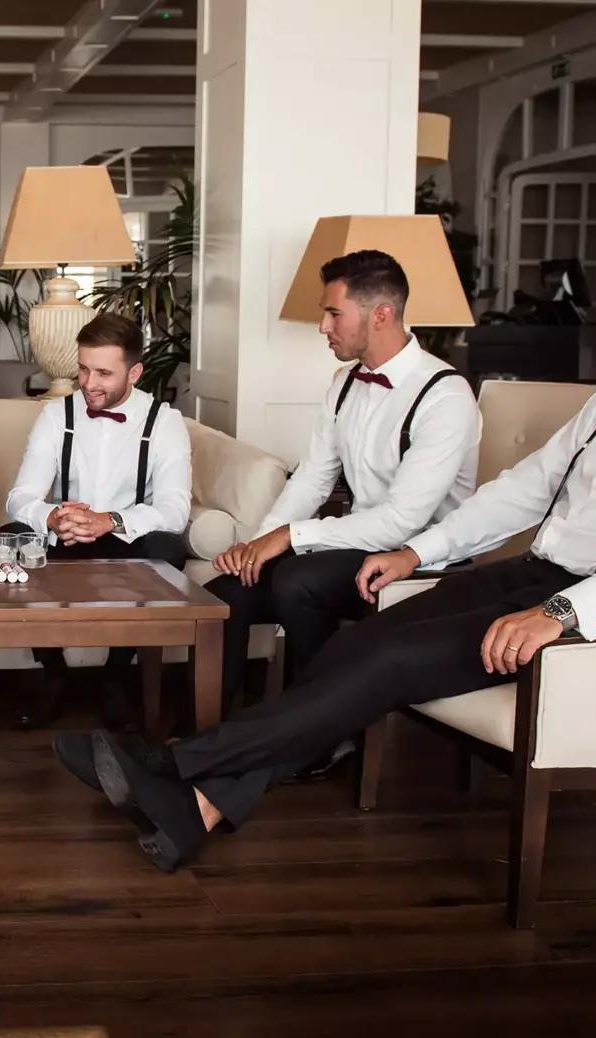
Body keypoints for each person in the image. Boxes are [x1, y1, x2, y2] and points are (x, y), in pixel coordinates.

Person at [64, 240, 596, 874]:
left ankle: (175, 765)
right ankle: (197, 806)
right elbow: (522, 490)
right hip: (535, 573)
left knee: (382, 662)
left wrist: (563, 612)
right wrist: (420, 552)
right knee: (370, 639)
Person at [191, 249, 479, 777]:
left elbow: (402, 521)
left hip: (420, 559)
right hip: (356, 545)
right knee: (224, 595)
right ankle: (214, 738)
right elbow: (313, 478)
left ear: (381, 315)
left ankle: (322, 734)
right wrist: (259, 542)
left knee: (297, 580)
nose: (322, 326)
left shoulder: (445, 396)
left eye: (333, 314)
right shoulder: (345, 382)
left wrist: (290, 539)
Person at [1, 312, 193, 729]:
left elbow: (175, 510)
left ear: (135, 372)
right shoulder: (57, 415)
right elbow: (19, 498)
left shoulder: (165, 422)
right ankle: (54, 674)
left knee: (168, 548)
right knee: (7, 541)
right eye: (84, 369)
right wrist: (52, 516)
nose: (89, 383)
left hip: (128, 541)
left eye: (104, 372)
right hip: (64, 538)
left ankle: (116, 673)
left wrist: (110, 520)